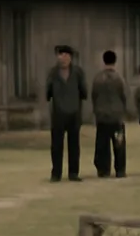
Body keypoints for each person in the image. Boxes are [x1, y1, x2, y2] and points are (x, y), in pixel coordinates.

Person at [45, 44, 87, 182]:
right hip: (58, 114)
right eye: (60, 55)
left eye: (65, 55)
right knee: (56, 145)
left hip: (74, 113)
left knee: (74, 144)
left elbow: (84, 92)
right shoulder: (53, 73)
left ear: (70, 57)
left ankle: (73, 172)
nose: (62, 58)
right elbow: (47, 92)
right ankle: (56, 173)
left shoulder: (78, 72)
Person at [91, 49, 127, 178]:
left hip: (102, 117)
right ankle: (120, 169)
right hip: (116, 117)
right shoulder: (119, 78)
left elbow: (94, 96)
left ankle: (103, 169)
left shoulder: (98, 79)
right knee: (119, 144)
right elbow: (123, 96)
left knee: (103, 145)